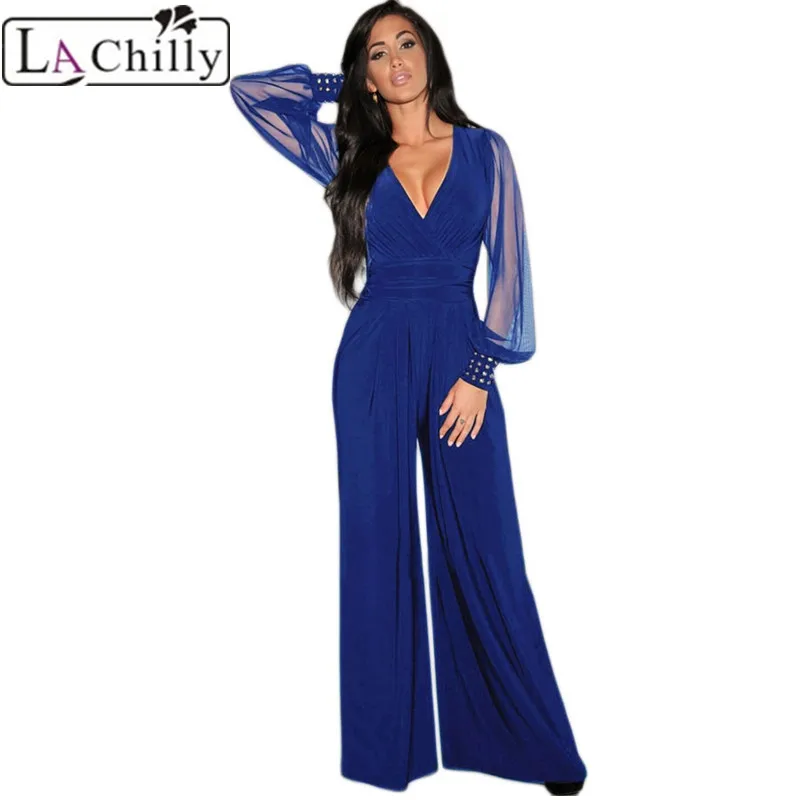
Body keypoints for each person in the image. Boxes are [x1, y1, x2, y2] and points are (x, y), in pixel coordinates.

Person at [229, 1, 587, 795]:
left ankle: (533, 749)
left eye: (407, 43)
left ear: (432, 53)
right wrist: (343, 84)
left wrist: (480, 373)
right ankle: (386, 754)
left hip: (461, 356)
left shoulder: (486, 150)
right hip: (372, 358)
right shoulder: (348, 153)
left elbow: (512, 273)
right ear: (365, 73)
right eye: (378, 53)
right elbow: (251, 92)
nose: (397, 60)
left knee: (488, 544)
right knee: (375, 543)